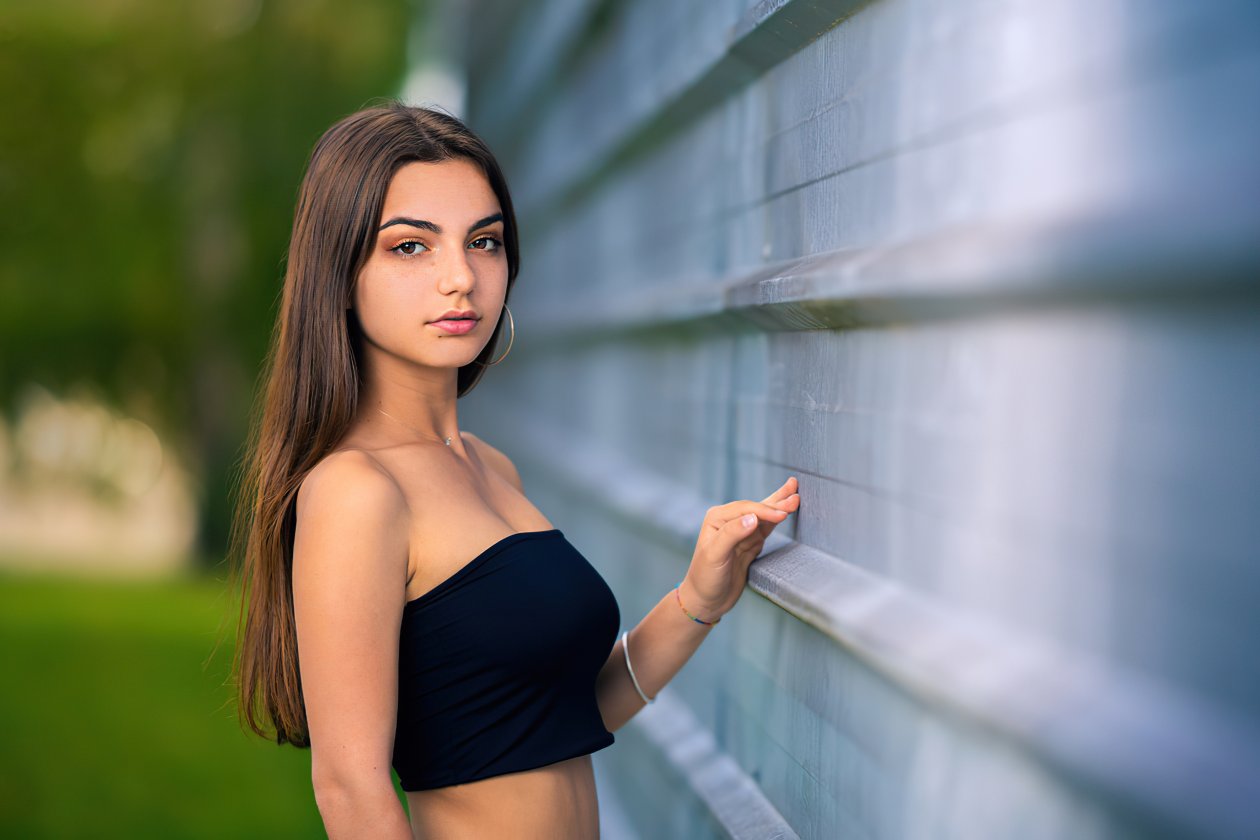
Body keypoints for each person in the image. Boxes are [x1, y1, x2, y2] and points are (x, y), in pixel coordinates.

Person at [228, 100, 801, 839]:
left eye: (484, 242)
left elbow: (565, 712)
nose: (460, 279)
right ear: (340, 273)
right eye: (411, 247)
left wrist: (700, 597)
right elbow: (350, 788)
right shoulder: (356, 492)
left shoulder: (489, 467)